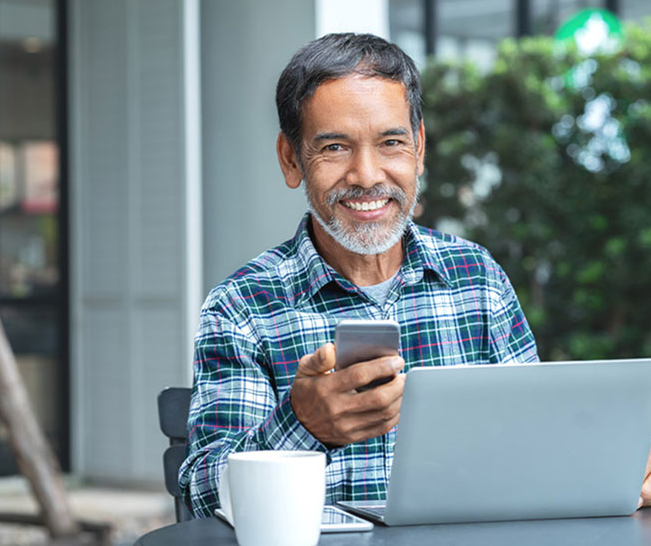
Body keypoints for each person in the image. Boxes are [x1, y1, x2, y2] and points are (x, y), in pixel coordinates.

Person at [178, 32, 651, 517]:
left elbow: (535, 444)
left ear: (419, 148)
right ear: (291, 158)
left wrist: (617, 469)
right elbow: (204, 496)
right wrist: (303, 424)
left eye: (391, 142)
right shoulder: (242, 306)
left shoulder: (477, 278)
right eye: (336, 147)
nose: (366, 175)